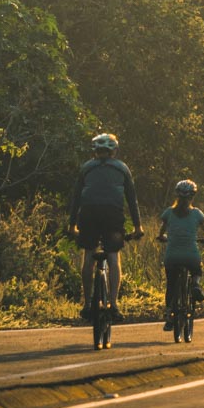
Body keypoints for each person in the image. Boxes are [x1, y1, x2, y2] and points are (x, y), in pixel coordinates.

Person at [69, 132, 143, 321]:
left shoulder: (86, 168)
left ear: (94, 151)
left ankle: (86, 305)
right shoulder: (122, 168)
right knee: (113, 256)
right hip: (113, 215)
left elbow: (76, 199)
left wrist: (72, 226)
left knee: (88, 256)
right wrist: (137, 226)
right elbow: (132, 200)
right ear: (115, 151)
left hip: (89, 214)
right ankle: (114, 305)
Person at [156, 179, 204, 331]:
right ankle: (196, 285)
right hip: (191, 255)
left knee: (171, 285)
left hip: (172, 256)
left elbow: (161, 232)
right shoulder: (197, 213)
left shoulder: (169, 213)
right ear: (193, 197)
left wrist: (162, 237)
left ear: (177, 196)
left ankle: (169, 315)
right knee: (197, 269)